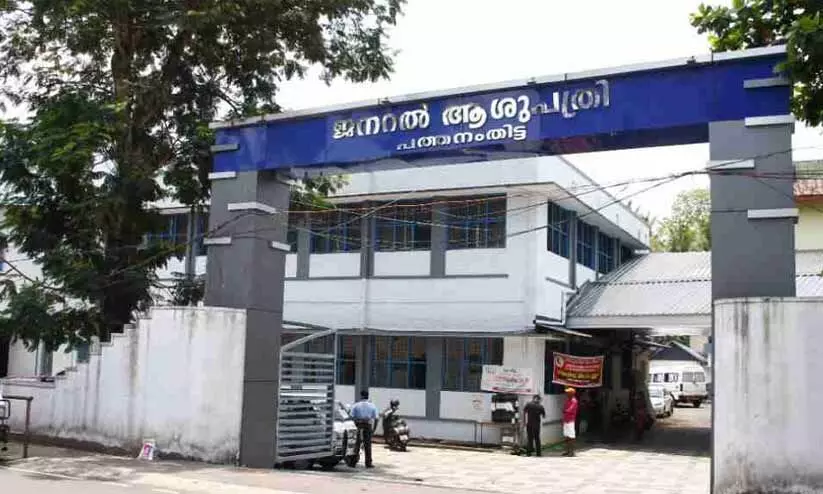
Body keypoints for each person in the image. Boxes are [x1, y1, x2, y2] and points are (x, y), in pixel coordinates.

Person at [350, 390, 379, 468]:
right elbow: (377, 418)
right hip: (368, 425)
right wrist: (374, 429)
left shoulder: (356, 405)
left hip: (359, 425)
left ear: (361, 396)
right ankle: (368, 463)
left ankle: (353, 462)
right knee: (368, 445)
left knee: (357, 444)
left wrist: (355, 424)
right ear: (367, 396)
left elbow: (351, 416)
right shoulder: (372, 406)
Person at [562, 387, 579, 457]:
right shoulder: (567, 400)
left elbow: (570, 409)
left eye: (568, 393)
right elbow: (564, 409)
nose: (566, 394)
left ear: (571, 394)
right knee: (566, 436)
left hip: (570, 420)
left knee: (571, 436)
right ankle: (567, 451)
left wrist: (565, 411)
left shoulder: (574, 401)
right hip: (566, 420)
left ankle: (572, 452)